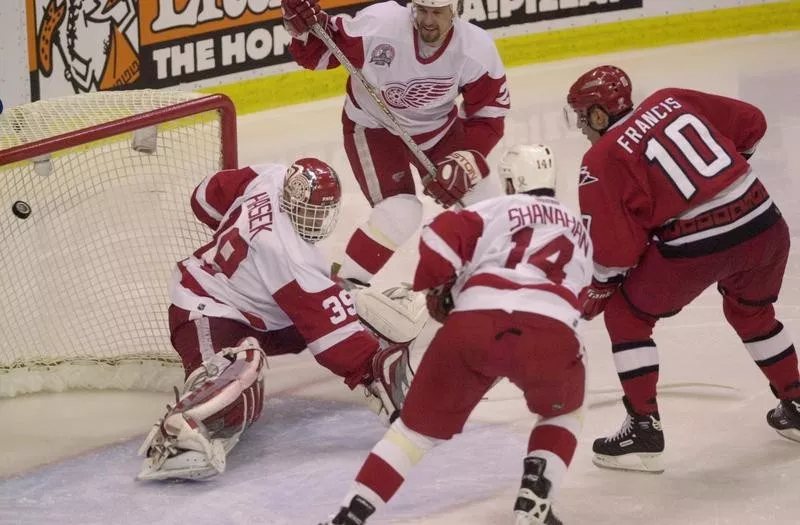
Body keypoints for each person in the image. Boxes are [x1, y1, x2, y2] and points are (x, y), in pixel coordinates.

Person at [318, 144, 593, 525]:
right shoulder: (578, 229)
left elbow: (440, 235)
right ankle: (533, 506)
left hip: (474, 324)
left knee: (413, 433)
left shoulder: (496, 208)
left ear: (513, 180)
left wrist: (437, 290)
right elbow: (581, 298)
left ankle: (350, 516)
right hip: (550, 333)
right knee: (564, 413)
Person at [566, 65, 800, 474]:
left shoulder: (600, 158)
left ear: (600, 114)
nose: (584, 128)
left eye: (584, 117)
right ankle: (796, 402)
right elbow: (753, 122)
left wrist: (599, 291)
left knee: (626, 316)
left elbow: (618, 253)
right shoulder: (671, 98)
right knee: (751, 312)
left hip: (699, 245)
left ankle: (643, 429)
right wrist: (725, 179)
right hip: (766, 224)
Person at [136, 159, 425, 481]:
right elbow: (333, 341)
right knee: (242, 367)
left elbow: (204, 196)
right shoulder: (293, 259)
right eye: (308, 212)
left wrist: (244, 237)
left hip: (263, 312)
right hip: (207, 307)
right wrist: (373, 369)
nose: (312, 221)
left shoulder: (271, 177)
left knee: (341, 301)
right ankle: (178, 430)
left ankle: (356, 319)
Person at [282, 0, 510, 287]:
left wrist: (465, 160)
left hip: (438, 128)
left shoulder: (475, 49)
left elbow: (489, 115)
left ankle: (499, 281)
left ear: (457, 10)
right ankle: (346, 290)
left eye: (437, 12)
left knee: (483, 197)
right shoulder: (380, 24)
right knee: (400, 211)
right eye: (422, 10)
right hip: (373, 127)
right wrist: (301, 29)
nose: (427, 20)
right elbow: (320, 55)